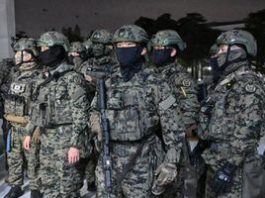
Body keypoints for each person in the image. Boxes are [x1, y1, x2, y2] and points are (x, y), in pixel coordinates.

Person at [90, 24, 185, 198]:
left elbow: (173, 123)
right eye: (119, 46)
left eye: (129, 45)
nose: (123, 50)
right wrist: (95, 123)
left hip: (142, 159)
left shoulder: (157, 83)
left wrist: (171, 162)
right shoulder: (108, 81)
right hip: (109, 157)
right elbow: (94, 109)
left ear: (142, 49)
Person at [198, 29, 265, 198]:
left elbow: (248, 130)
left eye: (222, 49)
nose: (217, 54)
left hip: (237, 167)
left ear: (239, 51)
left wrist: (229, 167)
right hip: (217, 160)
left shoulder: (248, 84)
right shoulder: (226, 82)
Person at [24, 31, 90, 197]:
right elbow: (37, 108)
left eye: (46, 48)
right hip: (47, 139)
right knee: (48, 184)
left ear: (58, 50)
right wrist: (28, 132)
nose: (43, 52)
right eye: (41, 48)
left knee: (68, 187)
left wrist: (75, 144)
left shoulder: (72, 78)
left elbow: (80, 112)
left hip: (67, 140)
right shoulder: (44, 79)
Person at [149, 30, 201, 198]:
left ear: (172, 51)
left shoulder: (180, 78)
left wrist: (163, 107)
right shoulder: (150, 74)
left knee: (177, 182)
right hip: (155, 138)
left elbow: (189, 109)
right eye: (154, 47)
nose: (156, 51)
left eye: (161, 48)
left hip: (176, 137)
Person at [3, 38, 42, 198]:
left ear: (33, 54)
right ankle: (16, 185)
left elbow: (40, 106)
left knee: (33, 159)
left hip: (29, 126)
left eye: (24, 53)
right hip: (13, 124)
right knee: (14, 158)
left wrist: (35, 128)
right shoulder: (15, 75)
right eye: (18, 52)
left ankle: (35, 188)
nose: (19, 56)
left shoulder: (39, 76)